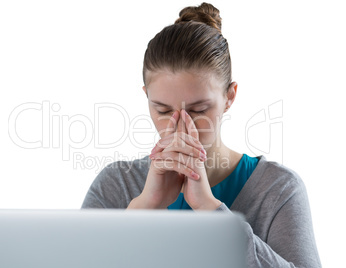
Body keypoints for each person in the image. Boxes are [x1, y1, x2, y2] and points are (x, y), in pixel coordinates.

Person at [81, 2, 321, 267]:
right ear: (146, 98)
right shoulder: (116, 186)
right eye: (162, 109)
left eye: (198, 110)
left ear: (229, 97)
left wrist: (211, 209)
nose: (181, 125)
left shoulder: (277, 189)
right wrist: (146, 206)